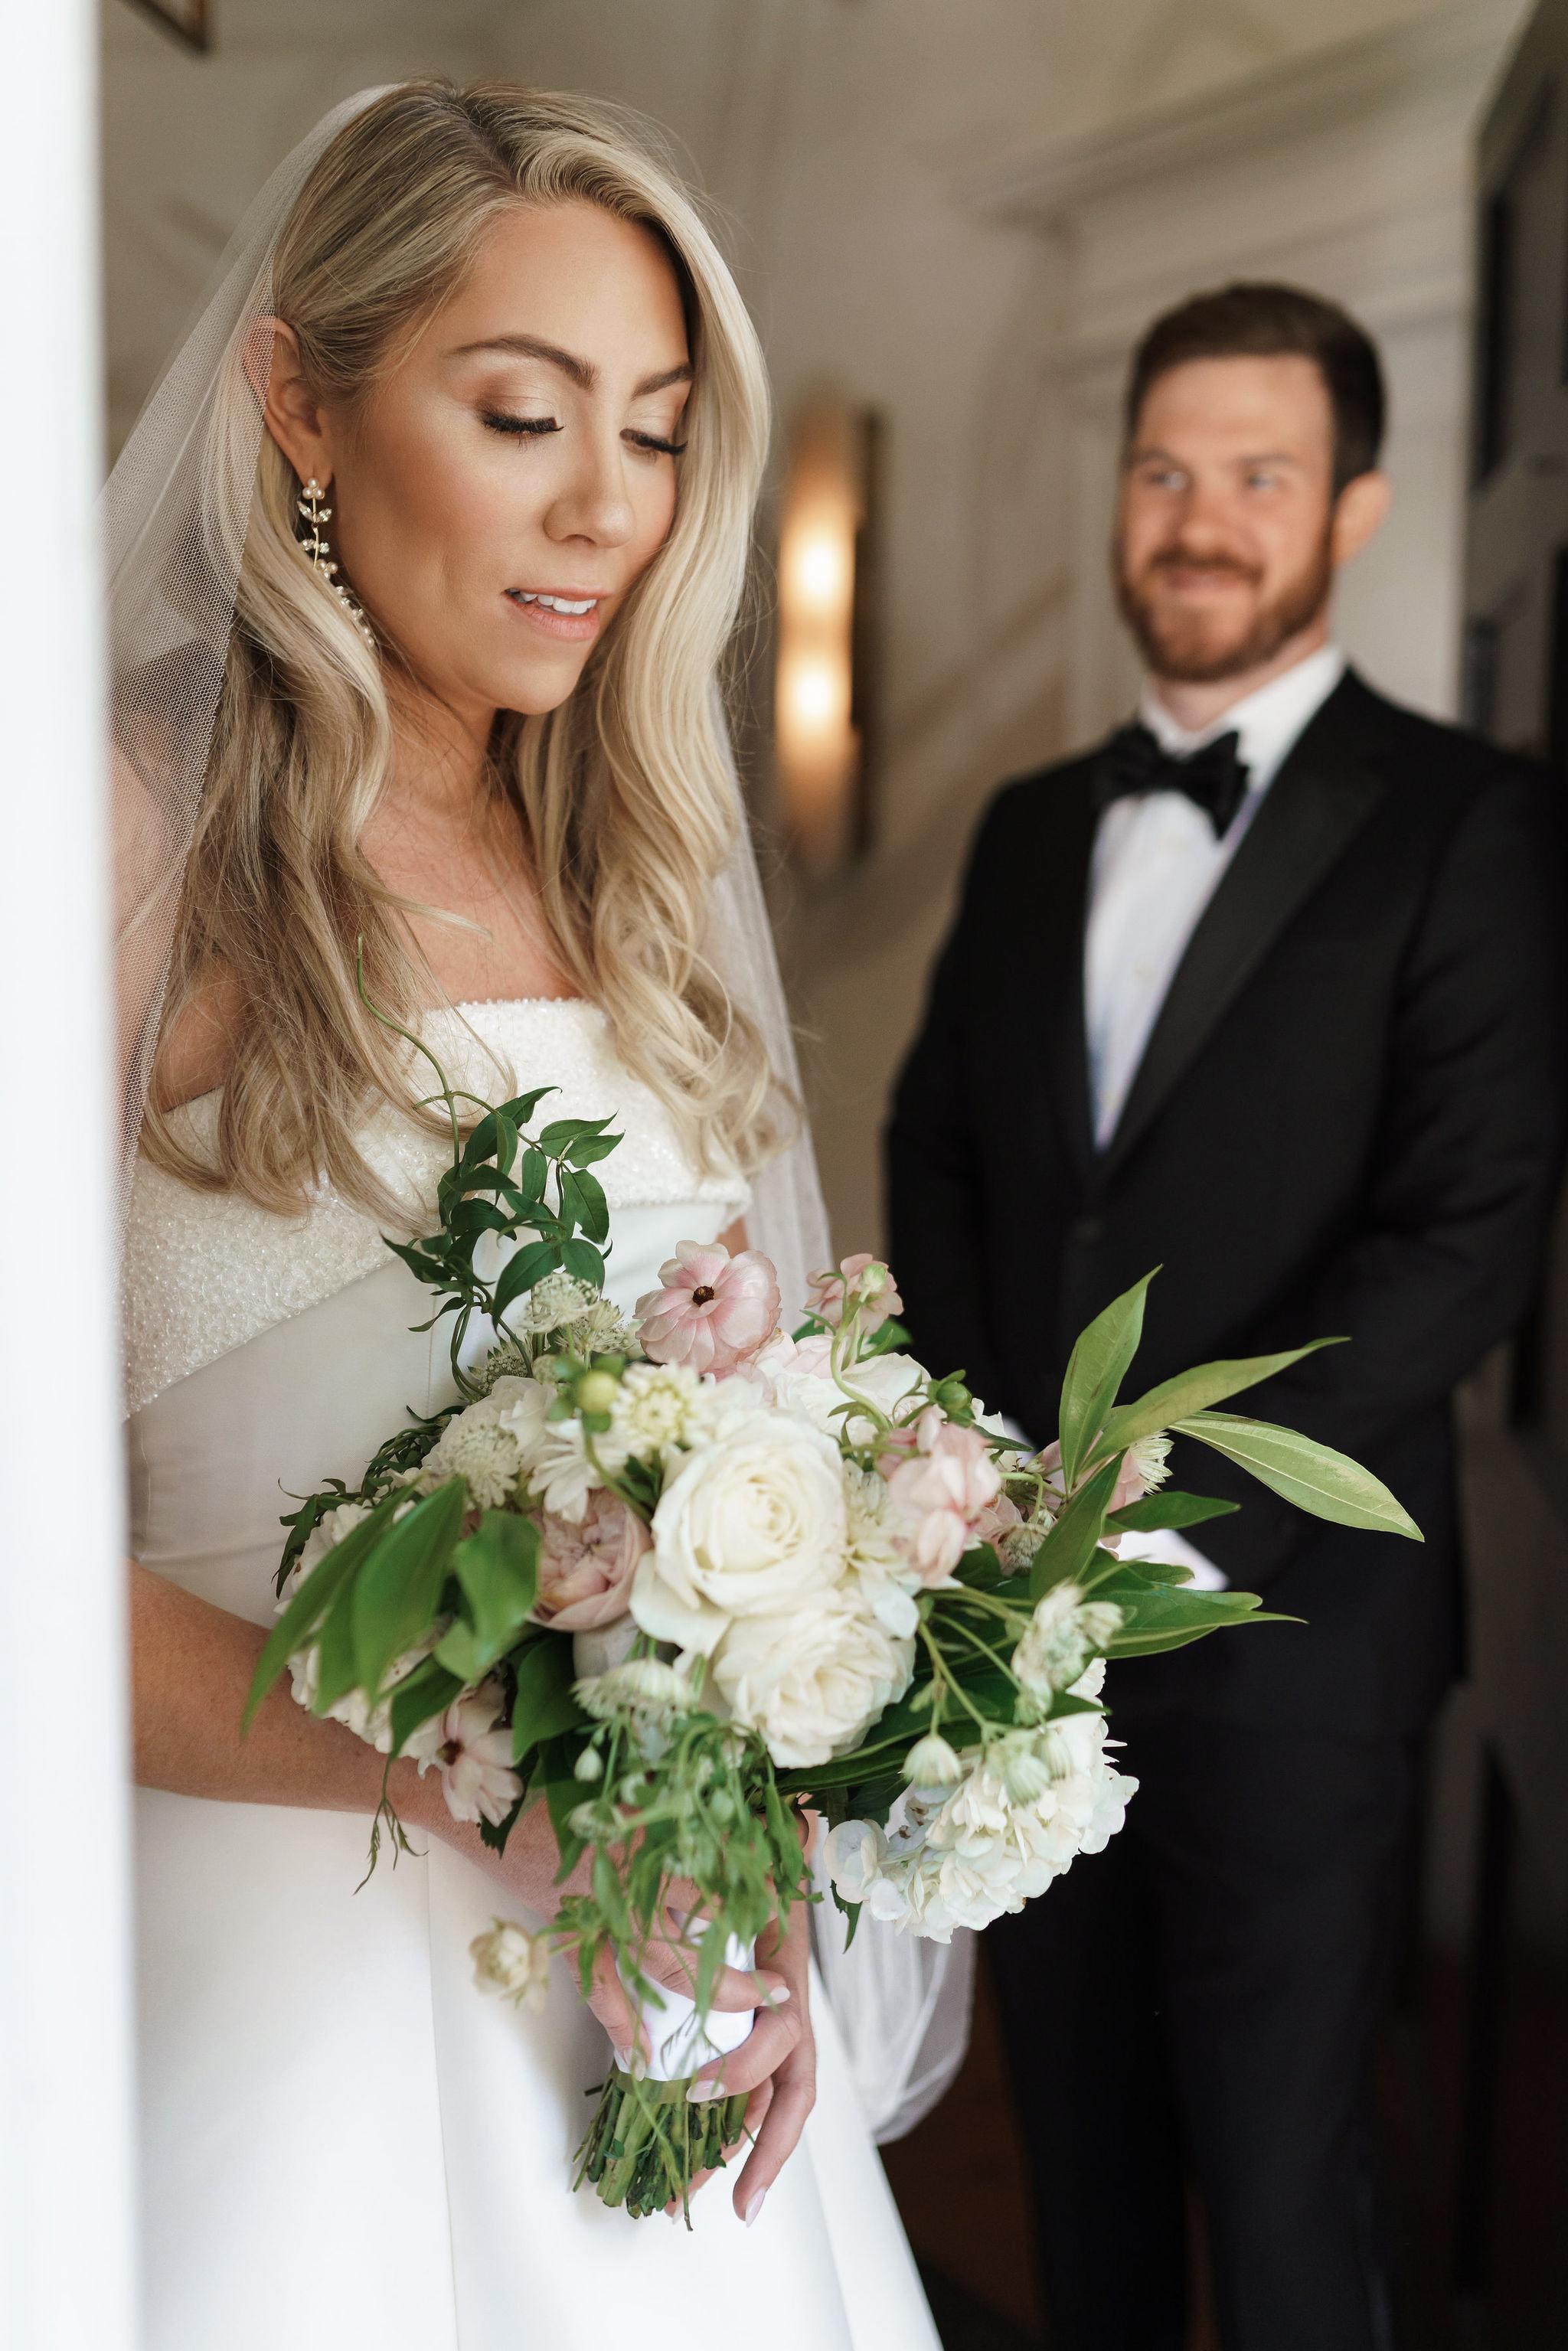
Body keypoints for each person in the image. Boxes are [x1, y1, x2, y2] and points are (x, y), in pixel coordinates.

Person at [119, 82, 939, 2351]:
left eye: (657, 433)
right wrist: (474, 1789)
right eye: (521, 415)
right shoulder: (117, 834)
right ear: (301, 401)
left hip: (637, 1998)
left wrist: (739, 1862)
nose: (608, 507)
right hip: (263, 1992)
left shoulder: (638, 875)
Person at [887, 281, 1568, 2350]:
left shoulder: (1471, 823)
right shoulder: (1026, 827)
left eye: (1258, 476)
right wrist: (985, 1485)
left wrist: (1162, 1512)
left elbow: (1465, 1237)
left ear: (1353, 507)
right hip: (1021, 1627)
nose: (1198, 520)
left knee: (1285, 2192)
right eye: (1165, 471)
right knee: (1077, 2171)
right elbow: (941, 1153)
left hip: (1295, 1642)